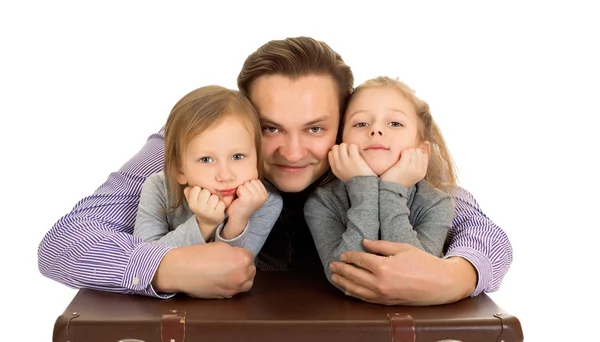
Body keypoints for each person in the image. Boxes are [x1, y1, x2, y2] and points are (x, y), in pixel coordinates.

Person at [37, 36, 513, 305]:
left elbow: (482, 232)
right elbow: (62, 243)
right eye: (269, 128)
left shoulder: (374, 153)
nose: (291, 151)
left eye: (315, 129)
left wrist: (456, 277)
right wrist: (166, 265)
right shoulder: (192, 147)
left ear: (347, 122)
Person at [305, 76, 455, 294]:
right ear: (340, 144)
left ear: (421, 150)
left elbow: (417, 279)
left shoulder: (437, 203)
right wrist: (363, 187)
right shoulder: (322, 202)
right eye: (361, 123)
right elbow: (345, 274)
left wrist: (392, 190)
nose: (375, 130)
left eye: (395, 123)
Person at [133, 85, 282, 259]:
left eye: (238, 156)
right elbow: (144, 259)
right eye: (206, 160)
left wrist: (237, 221)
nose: (226, 175)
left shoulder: (265, 201)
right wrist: (203, 224)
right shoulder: (158, 187)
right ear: (179, 169)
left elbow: (233, 273)